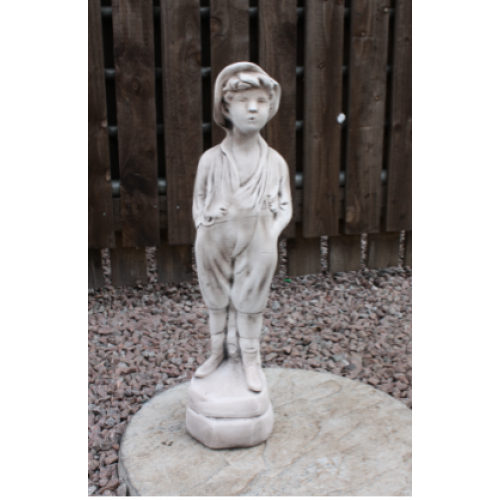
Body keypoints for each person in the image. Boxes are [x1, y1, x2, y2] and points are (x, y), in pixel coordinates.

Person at [192, 62, 292, 392]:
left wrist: (270, 234)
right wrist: (205, 222)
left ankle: (250, 360)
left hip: (258, 240)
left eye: (261, 101)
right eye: (243, 100)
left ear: (270, 107)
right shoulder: (210, 159)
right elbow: (198, 200)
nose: (252, 108)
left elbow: (285, 206)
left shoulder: (275, 162)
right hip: (214, 240)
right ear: (225, 107)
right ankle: (217, 353)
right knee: (216, 300)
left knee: (251, 303)